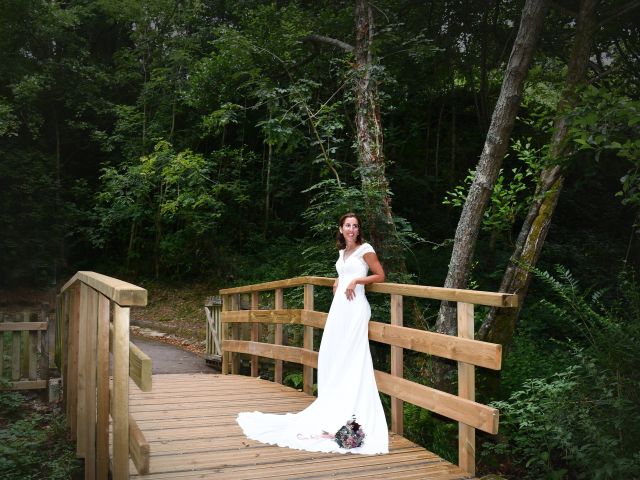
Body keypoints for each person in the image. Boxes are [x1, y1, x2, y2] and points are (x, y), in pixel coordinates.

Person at [236, 213, 389, 455]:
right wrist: (339, 280)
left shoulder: (365, 249)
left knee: (353, 354)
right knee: (333, 353)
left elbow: (380, 275)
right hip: (339, 308)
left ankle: (352, 406)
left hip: (355, 308)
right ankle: (335, 402)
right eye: (348, 225)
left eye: (355, 226)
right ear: (341, 229)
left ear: (359, 230)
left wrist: (357, 281)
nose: (352, 229)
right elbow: (344, 271)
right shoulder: (343, 252)